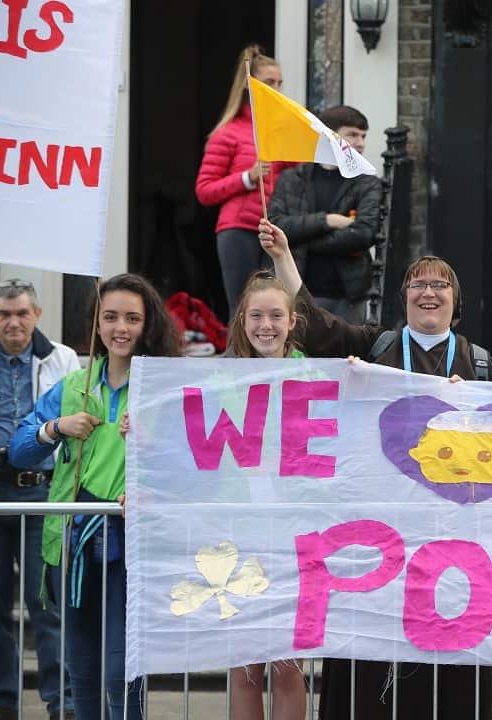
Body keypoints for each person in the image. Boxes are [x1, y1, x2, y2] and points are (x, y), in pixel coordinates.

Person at [258, 218, 492, 720]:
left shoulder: (478, 362)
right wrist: (283, 259)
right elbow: (316, 323)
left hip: (450, 537)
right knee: (371, 657)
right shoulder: (373, 346)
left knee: (446, 661)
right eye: (418, 283)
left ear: (456, 301)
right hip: (378, 535)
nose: (428, 292)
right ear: (404, 296)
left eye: (440, 284)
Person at [9, 274, 181, 720]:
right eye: (111, 317)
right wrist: (57, 428)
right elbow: (19, 448)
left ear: (149, 325)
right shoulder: (73, 386)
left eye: (132, 318)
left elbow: (190, 462)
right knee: (82, 669)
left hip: (134, 547)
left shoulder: (166, 389)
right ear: (96, 323)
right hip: (73, 544)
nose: (120, 327)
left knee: (121, 669)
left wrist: (150, 455)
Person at [0, 279, 78, 720]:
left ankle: (63, 700)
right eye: (4, 314)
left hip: (43, 491)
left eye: (22, 313)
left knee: (47, 603)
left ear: (37, 314)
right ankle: (1, 699)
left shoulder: (64, 358)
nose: (13, 322)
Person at [223, 270, 307, 720]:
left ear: (292, 321)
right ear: (243, 319)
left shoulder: (319, 375)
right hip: (238, 538)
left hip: (296, 541)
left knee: (288, 667)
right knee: (244, 669)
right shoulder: (218, 380)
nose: (266, 325)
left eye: (276, 315)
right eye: (256, 315)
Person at [195, 44, 292, 318]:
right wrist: (246, 179)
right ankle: (234, 361)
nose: (276, 88)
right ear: (250, 86)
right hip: (238, 230)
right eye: (269, 82)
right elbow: (204, 191)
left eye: (280, 83)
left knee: (274, 309)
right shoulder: (228, 133)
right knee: (242, 311)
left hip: (274, 230)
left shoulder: (279, 131)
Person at [268, 105, 383, 323]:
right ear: (329, 136)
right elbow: (277, 226)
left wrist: (300, 241)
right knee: (297, 356)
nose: (360, 143)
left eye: (363, 136)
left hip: (347, 294)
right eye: (352, 135)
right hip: (295, 290)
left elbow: (363, 234)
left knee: (348, 356)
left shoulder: (367, 182)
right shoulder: (292, 178)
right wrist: (327, 220)